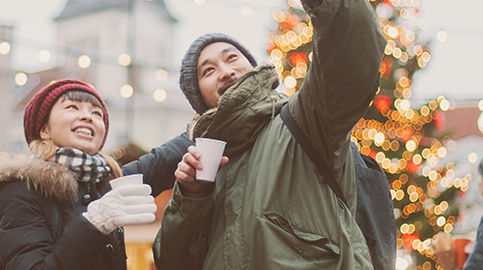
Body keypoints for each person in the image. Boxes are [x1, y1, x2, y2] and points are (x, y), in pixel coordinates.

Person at [121, 34, 395, 269]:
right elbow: (173, 262)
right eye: (208, 71)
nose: (226, 72)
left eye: (231, 58)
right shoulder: (202, 166)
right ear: (199, 99)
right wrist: (192, 198)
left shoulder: (304, 121)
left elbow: (348, 53)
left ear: (252, 67)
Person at [0, 80, 158, 270]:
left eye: (96, 113)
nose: (87, 117)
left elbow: (161, 160)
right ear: (44, 130)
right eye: (72, 107)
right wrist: (94, 222)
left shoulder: (102, 181)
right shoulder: (20, 189)